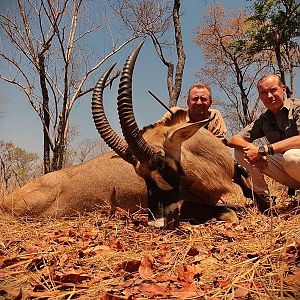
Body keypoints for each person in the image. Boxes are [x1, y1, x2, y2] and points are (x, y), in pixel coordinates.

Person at [227, 74, 300, 213]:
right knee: (241, 151)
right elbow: (234, 139)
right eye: (264, 93)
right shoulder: (264, 119)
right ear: (260, 97)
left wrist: (263, 150)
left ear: (283, 89)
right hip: (290, 168)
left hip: (294, 160)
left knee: (290, 157)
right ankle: (263, 198)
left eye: (273, 90)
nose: (270, 96)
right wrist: (254, 150)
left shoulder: (297, 107)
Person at [157, 82, 227, 143]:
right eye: (195, 99)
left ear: (210, 102)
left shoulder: (214, 115)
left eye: (203, 99)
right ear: (187, 102)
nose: (199, 103)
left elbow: (220, 143)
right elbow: (157, 132)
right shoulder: (175, 113)